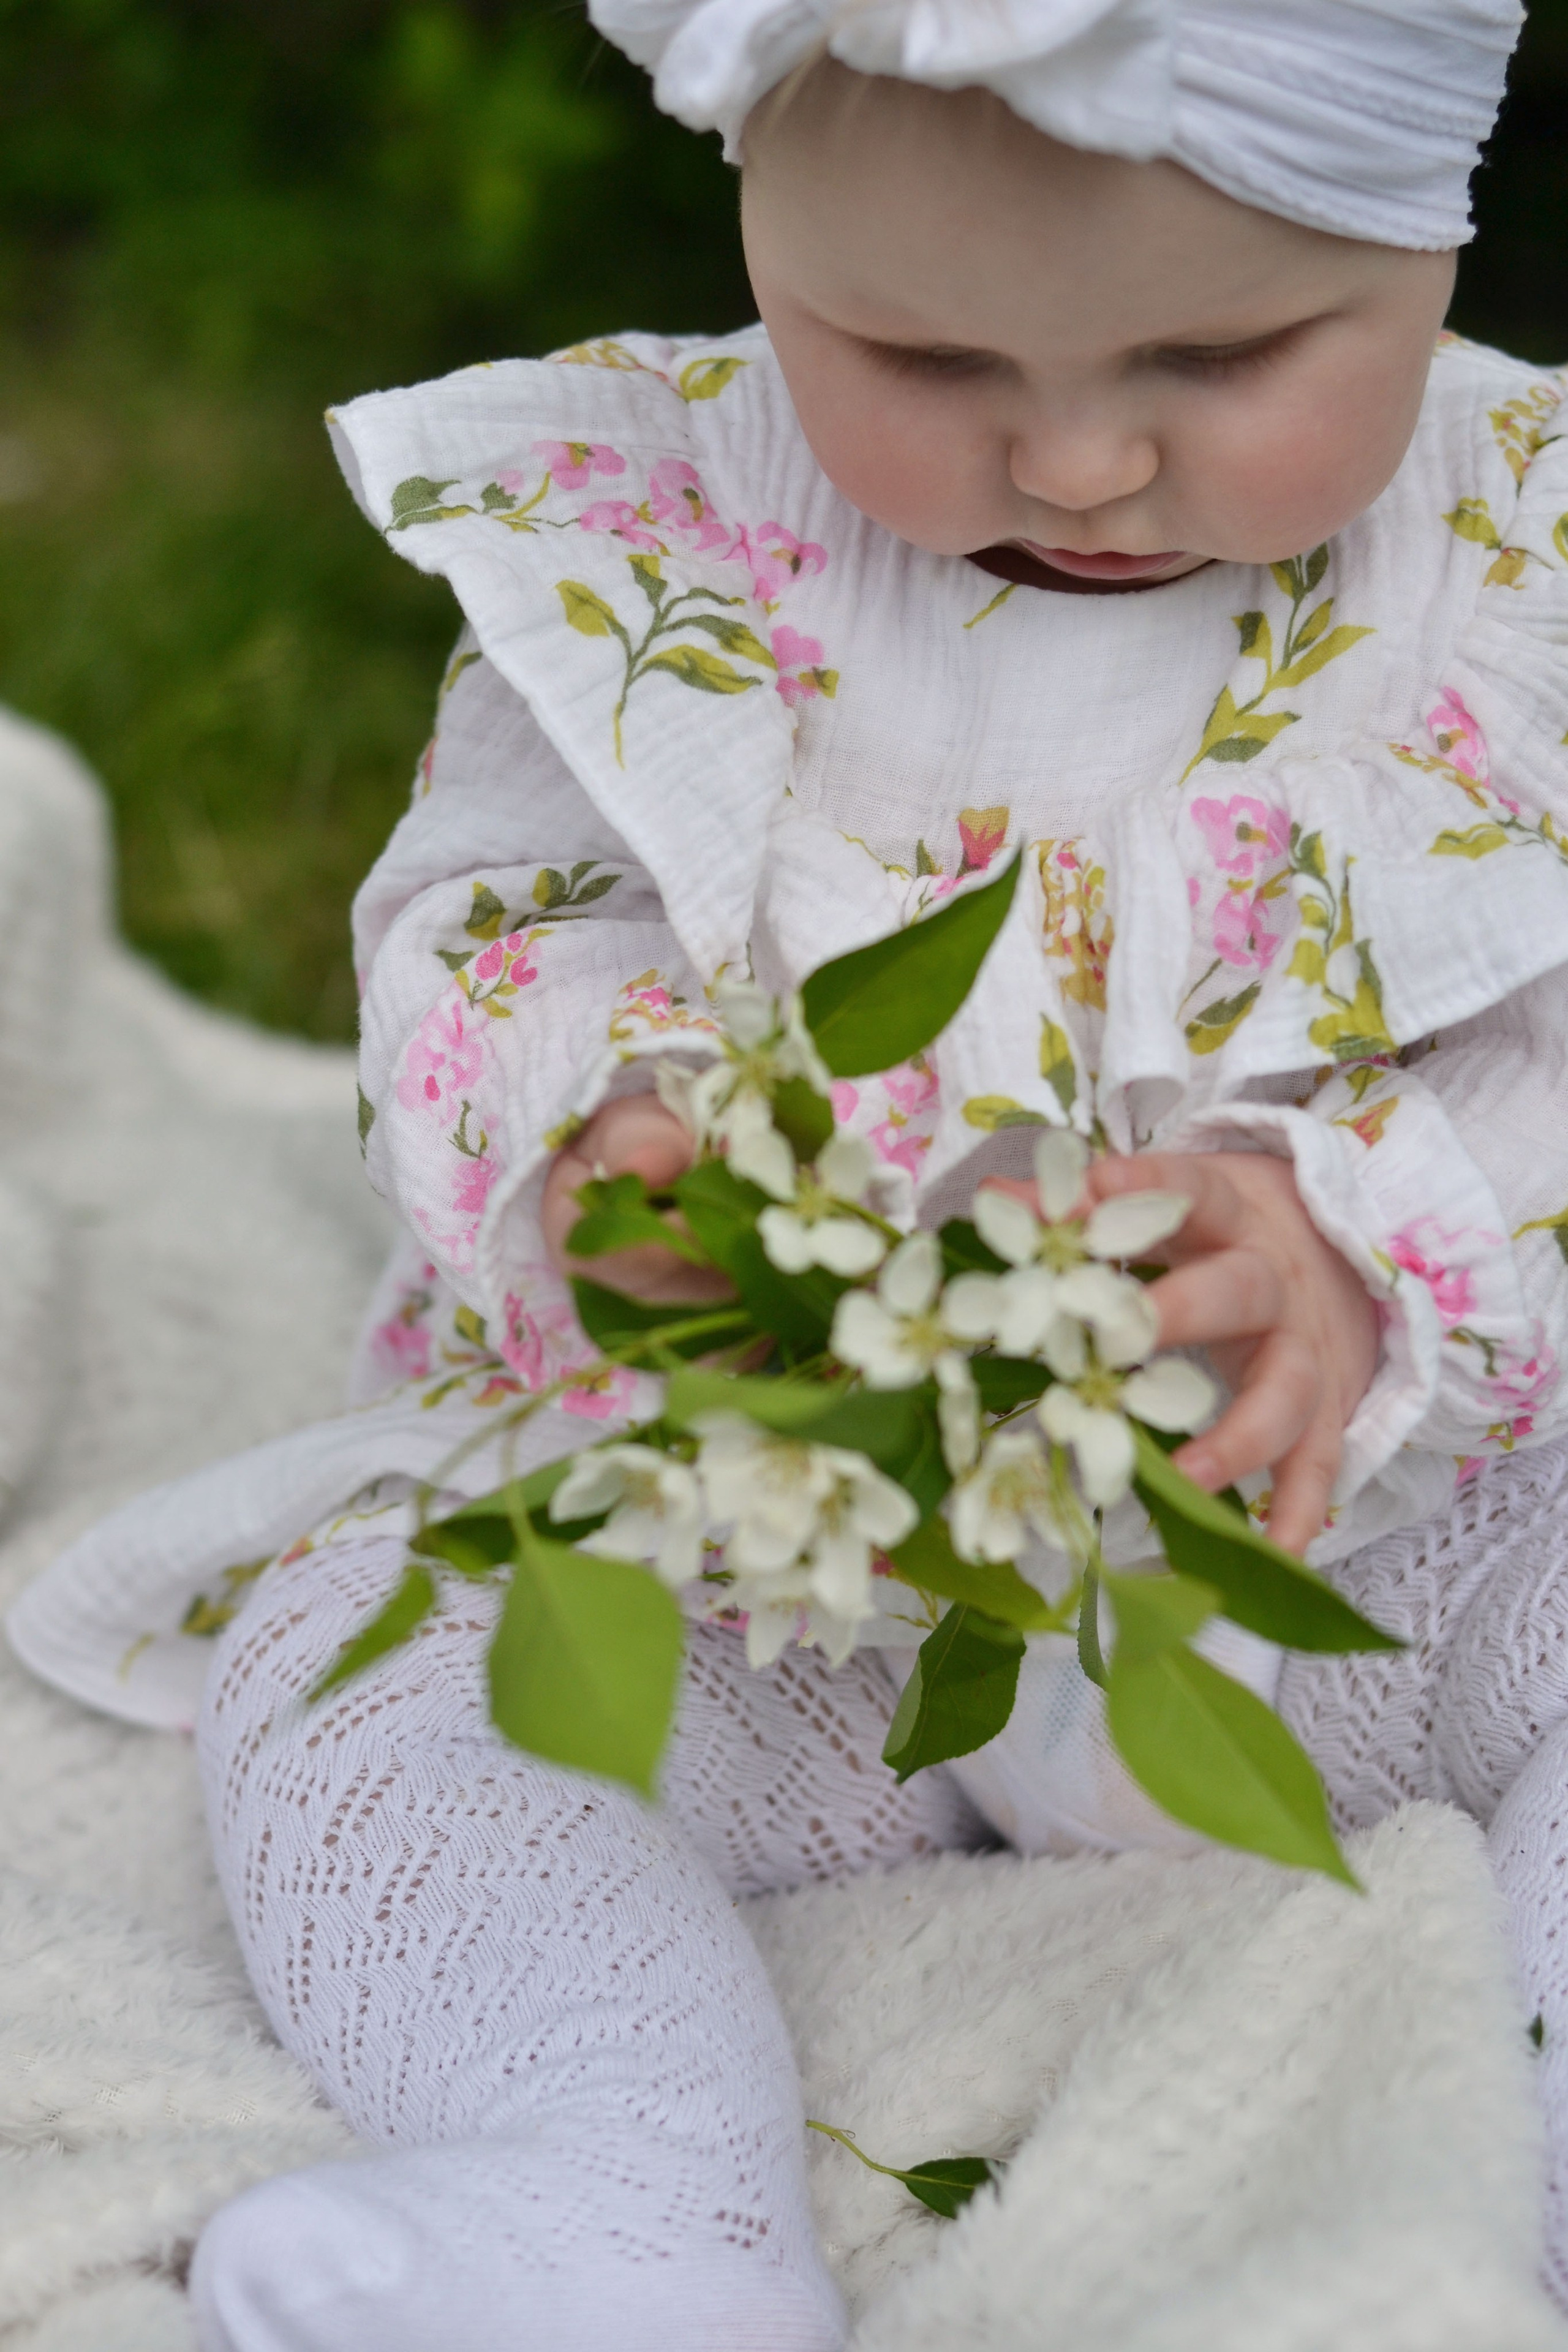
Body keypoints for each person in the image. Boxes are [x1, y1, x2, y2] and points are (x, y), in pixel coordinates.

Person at [10, 1, 1568, 2343]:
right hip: (785, 1573)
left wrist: (1370, 1246)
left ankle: (1519, 2146)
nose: (1075, 453)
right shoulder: (670, 541)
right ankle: (633, 2198)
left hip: (1359, 1565)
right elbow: (498, 917)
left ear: (1426, 231)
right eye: (912, 351)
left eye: (1225, 349)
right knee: (371, 1670)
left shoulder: (1516, 564)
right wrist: (608, 1145)